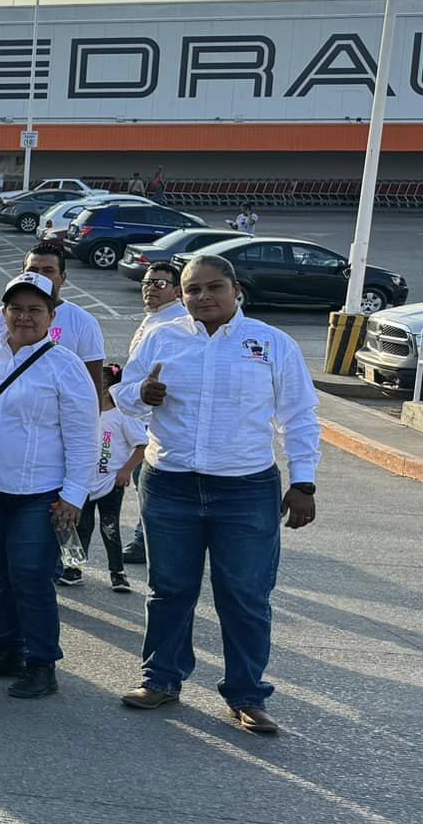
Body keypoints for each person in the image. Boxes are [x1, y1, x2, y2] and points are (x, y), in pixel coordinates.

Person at [112, 254, 320, 733]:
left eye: (214, 287)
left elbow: (299, 417)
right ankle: (161, 679)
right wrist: (144, 393)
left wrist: (303, 482)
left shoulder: (270, 344)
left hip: (246, 488)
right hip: (171, 484)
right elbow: (122, 393)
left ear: (236, 290)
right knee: (169, 591)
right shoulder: (161, 336)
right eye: (192, 289)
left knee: (245, 595)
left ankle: (247, 695)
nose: (203, 297)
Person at [0, 273, 97, 699]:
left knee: (31, 575)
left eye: (35, 309)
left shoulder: (65, 365)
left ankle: (41, 663)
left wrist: (74, 495)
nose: (23, 317)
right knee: (2, 572)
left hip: (40, 492)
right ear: (3, 313)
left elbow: (83, 435)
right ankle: (8, 649)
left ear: (51, 317)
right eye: (15, 308)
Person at [120, 262, 189, 569]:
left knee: (150, 482)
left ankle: (145, 541)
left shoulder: (176, 323)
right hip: (140, 415)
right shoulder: (154, 319)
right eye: (147, 283)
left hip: (158, 422)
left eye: (160, 284)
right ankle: (146, 539)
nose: (150, 289)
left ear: (178, 291)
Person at [0, 243, 107, 396]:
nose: (39, 276)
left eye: (48, 271)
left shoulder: (83, 322)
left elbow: (93, 383)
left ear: (63, 277)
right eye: (32, 270)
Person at [65, 363, 145, 592]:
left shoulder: (122, 415)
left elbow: (141, 445)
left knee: (110, 528)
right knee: (80, 526)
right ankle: (73, 568)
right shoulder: (84, 413)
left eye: (100, 389)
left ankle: (117, 573)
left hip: (110, 483)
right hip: (83, 483)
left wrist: (126, 470)